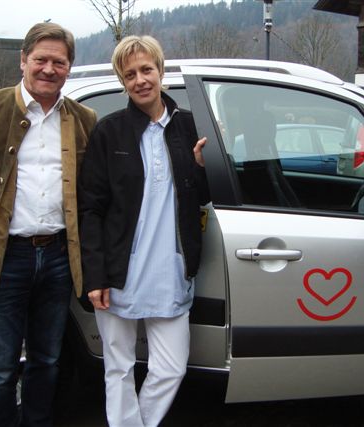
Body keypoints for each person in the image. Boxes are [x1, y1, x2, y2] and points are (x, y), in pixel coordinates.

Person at [0, 22, 97, 427]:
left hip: (58, 257)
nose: (49, 69)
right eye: (41, 59)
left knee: (47, 359)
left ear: (69, 67)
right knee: (0, 366)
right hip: (4, 258)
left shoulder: (84, 119)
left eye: (59, 62)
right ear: (23, 61)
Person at [78, 35, 209, 427]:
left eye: (146, 69)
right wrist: (95, 275)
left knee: (171, 367)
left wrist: (202, 168)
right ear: (123, 81)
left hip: (170, 270)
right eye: (130, 74)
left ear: (160, 70)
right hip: (119, 272)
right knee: (118, 367)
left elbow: (203, 197)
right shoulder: (110, 132)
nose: (140, 80)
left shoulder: (189, 126)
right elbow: (90, 208)